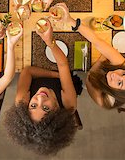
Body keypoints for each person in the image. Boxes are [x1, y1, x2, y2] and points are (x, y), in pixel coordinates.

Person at [4, 21, 80, 155]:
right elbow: (63, 65)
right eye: (45, 108)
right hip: (60, 66)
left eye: (33, 105)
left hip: (45, 68)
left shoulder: (21, 103)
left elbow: (28, 71)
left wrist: (59, 76)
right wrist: (50, 42)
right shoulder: (69, 104)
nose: (40, 98)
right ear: (57, 111)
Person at [56, 3, 125, 108]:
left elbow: (89, 78)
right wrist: (70, 20)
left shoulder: (103, 100)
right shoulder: (124, 66)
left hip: (92, 77)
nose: (116, 75)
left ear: (117, 94)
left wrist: (101, 60)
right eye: (123, 73)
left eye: (119, 83)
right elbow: (96, 41)